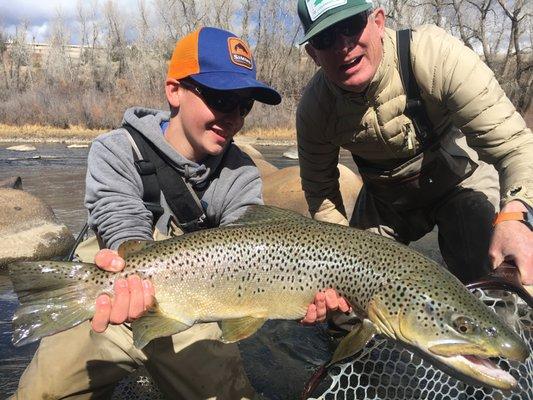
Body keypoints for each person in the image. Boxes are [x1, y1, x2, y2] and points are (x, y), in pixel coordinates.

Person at [12, 26, 349, 400]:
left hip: (192, 310)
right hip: (110, 303)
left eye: (244, 106)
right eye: (221, 98)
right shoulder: (116, 149)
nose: (233, 118)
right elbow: (121, 225)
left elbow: (252, 247)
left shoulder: (240, 172)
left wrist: (295, 295)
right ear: (174, 90)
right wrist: (128, 283)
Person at [295, 0, 533, 295]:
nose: (343, 45)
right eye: (325, 38)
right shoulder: (315, 110)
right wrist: (340, 258)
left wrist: (516, 215)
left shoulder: (434, 55)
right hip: (385, 202)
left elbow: (515, 145)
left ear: (378, 22)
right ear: (312, 54)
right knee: (348, 307)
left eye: (350, 26)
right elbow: (321, 195)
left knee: (500, 280)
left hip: (460, 181)